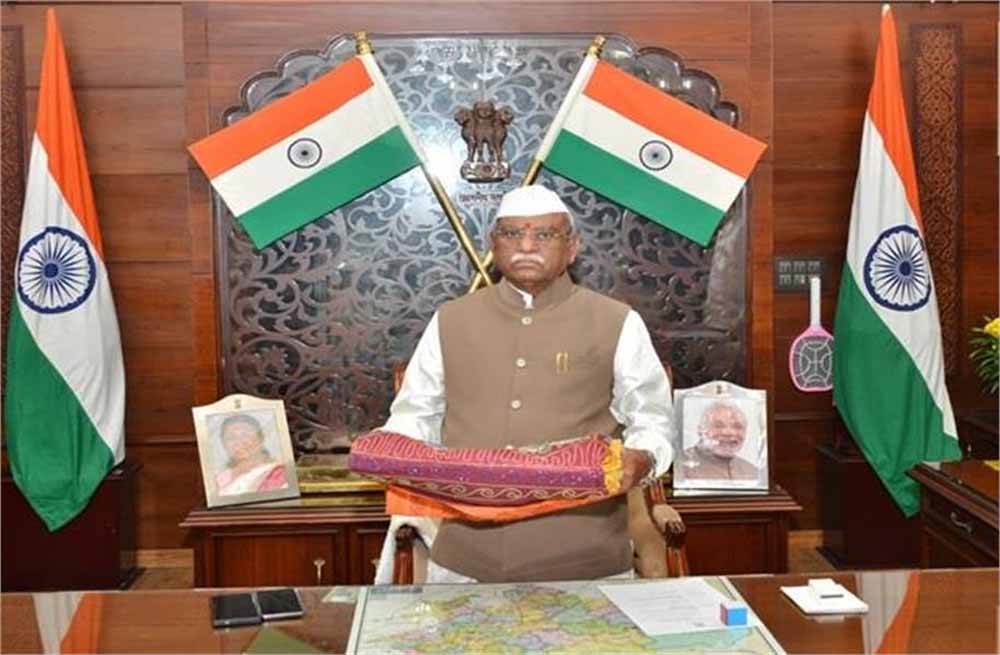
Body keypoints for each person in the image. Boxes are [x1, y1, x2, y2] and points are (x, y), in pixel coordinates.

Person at [379, 184, 673, 583]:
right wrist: (389, 450)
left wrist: (645, 460)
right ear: (493, 245)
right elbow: (415, 415)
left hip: (585, 560)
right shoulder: (450, 319)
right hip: (465, 559)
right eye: (512, 233)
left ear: (572, 247)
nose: (527, 245)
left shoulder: (617, 321)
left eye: (545, 234)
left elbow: (653, 421)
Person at [680, 401, 759, 481]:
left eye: (737, 426)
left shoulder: (752, 472)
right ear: (700, 430)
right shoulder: (680, 466)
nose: (729, 432)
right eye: (718, 426)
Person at [214, 413, 289, 496]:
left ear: (260, 439)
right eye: (231, 438)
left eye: (245, 435)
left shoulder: (277, 474)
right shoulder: (219, 480)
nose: (239, 442)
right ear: (224, 443)